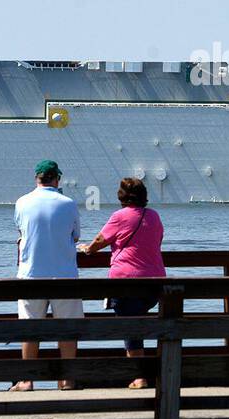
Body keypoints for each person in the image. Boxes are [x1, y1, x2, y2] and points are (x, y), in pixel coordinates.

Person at [77, 177, 165, 389]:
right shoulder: (153, 216)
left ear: (122, 197)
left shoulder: (119, 216)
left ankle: (140, 376)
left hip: (127, 282)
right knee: (140, 325)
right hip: (155, 282)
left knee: (130, 327)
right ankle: (148, 372)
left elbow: (100, 241)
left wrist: (86, 249)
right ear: (144, 196)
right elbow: (158, 240)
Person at [11, 159, 82, 391]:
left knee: (30, 327)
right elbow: (76, 236)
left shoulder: (22, 202)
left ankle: (27, 380)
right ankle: (67, 379)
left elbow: (21, 231)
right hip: (64, 275)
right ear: (57, 179)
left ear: (36, 178)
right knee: (67, 327)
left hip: (31, 274)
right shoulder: (69, 203)